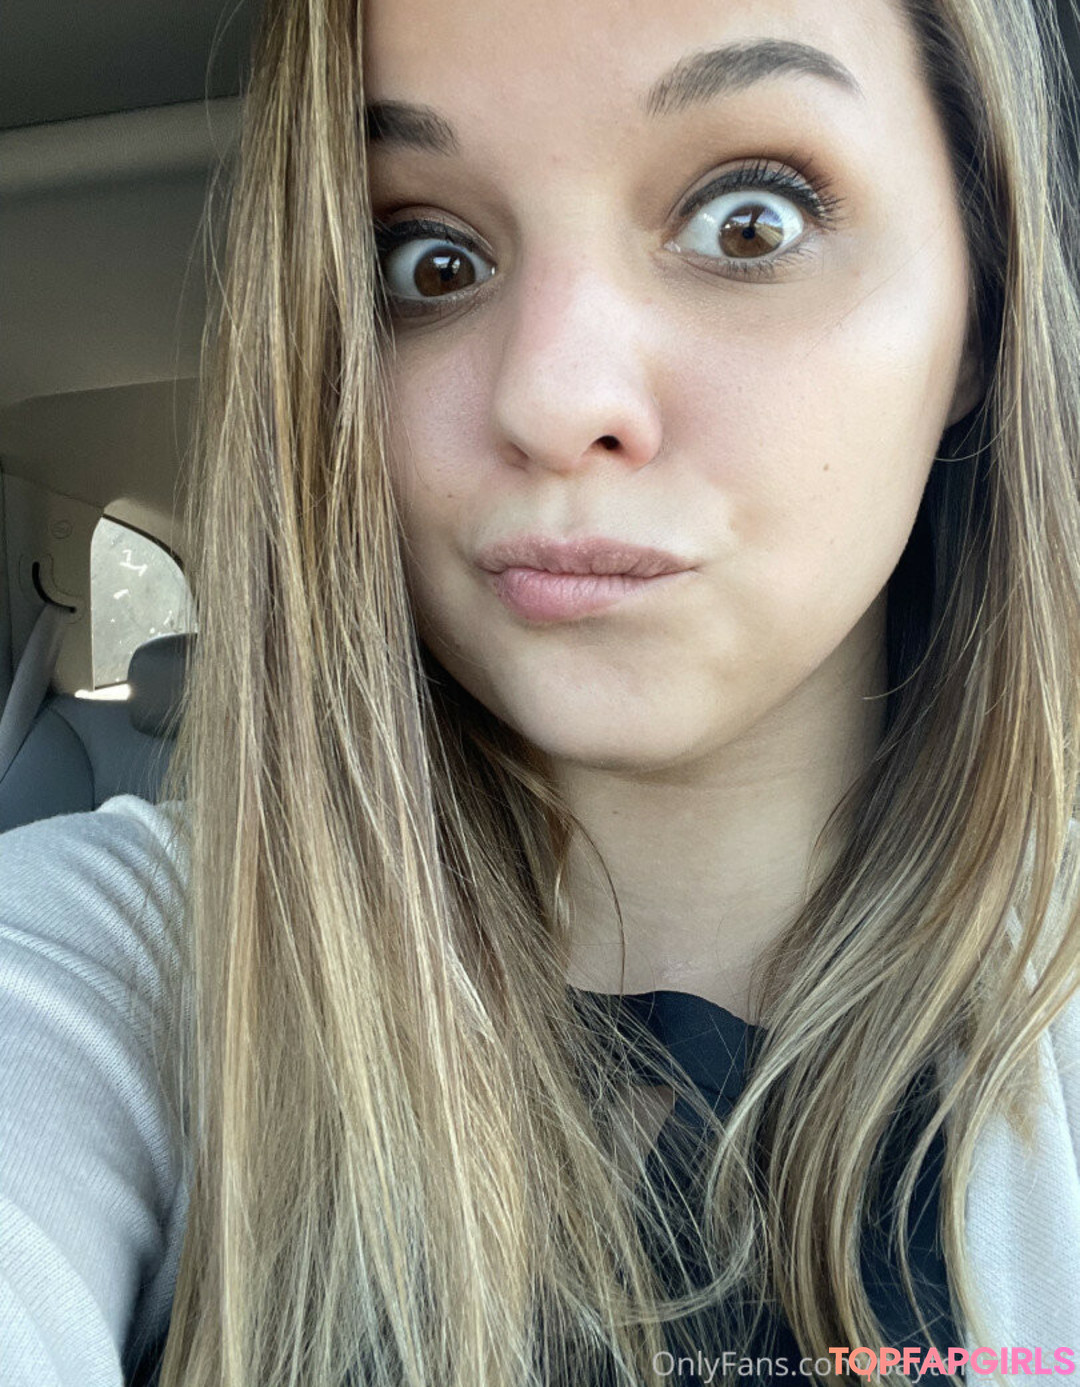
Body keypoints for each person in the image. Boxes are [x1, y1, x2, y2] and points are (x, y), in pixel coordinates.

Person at [2, 0, 1080, 1383]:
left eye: (750, 221)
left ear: (980, 307)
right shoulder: (127, 961)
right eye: (427, 256)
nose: (554, 398)